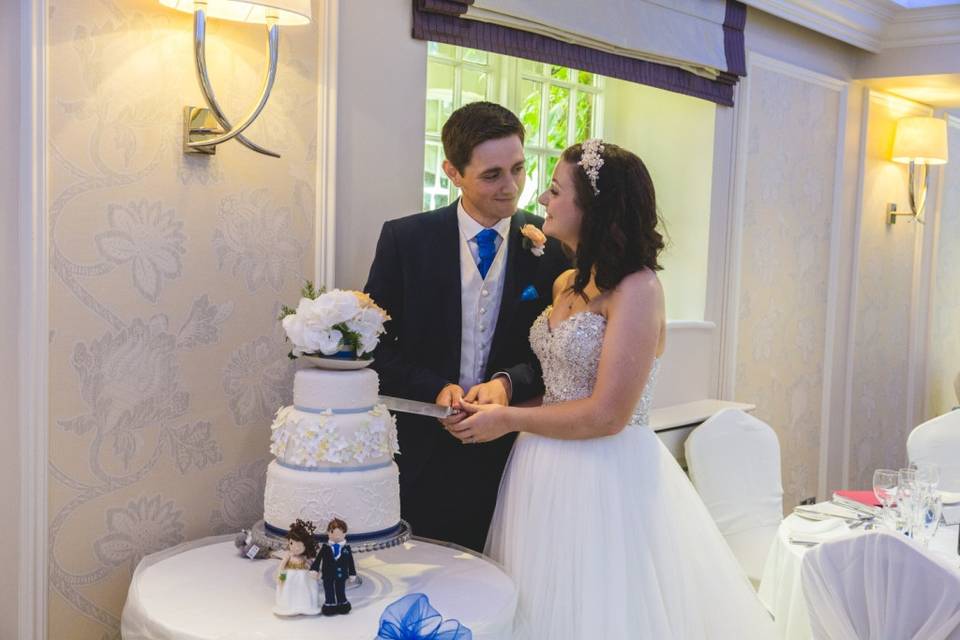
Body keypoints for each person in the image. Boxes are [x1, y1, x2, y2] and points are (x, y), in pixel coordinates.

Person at [451, 140, 776, 638]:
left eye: (556, 191)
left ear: (594, 208)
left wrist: (509, 420)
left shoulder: (639, 290)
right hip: (539, 469)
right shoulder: (565, 283)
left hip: (605, 477)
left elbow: (607, 414)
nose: (540, 199)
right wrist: (501, 396)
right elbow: (563, 389)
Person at [364, 101, 569, 551]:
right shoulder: (405, 240)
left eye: (518, 169)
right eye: (492, 175)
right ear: (453, 172)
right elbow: (373, 349)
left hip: (515, 458)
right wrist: (436, 388)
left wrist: (507, 383)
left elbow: (561, 353)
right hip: (420, 459)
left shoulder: (552, 245)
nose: (511, 187)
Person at [273, 519, 321, 616]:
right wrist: (281, 577)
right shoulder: (288, 556)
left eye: (299, 545)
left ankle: (304, 606)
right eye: (291, 543)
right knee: (289, 591)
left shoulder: (305, 557)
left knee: (304, 591)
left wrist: (316, 573)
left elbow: (313, 567)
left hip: (303, 577)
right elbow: (282, 567)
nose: (295, 548)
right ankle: (288, 606)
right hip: (290, 576)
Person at [311, 518, 356, 616]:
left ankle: (342, 603)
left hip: (341, 575)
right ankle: (330, 603)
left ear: (344, 534)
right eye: (332, 532)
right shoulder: (325, 548)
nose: (336, 536)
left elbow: (351, 562)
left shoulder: (347, 549)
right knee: (328, 589)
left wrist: (352, 573)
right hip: (327, 574)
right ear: (328, 533)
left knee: (340, 589)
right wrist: (314, 569)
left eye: (339, 533)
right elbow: (318, 559)